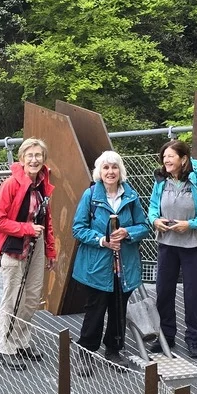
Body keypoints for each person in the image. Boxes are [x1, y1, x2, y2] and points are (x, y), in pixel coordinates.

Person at [0, 138, 57, 371]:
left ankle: (21, 341)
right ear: (21, 160)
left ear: (43, 159)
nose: (34, 160)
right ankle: (5, 347)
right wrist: (26, 229)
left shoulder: (42, 183)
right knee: (12, 296)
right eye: (29, 156)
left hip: (36, 242)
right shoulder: (11, 184)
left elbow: (47, 219)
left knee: (32, 296)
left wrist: (50, 250)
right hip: (14, 244)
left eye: (38, 155)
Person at [71, 150, 150, 374]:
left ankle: (114, 349)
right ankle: (86, 352)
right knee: (95, 309)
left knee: (118, 308)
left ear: (120, 171)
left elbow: (144, 226)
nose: (110, 172)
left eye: (114, 167)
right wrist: (102, 241)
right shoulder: (90, 196)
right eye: (105, 168)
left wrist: (128, 232)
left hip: (124, 265)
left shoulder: (131, 196)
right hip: (97, 265)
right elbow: (78, 229)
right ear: (99, 172)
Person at [147, 139, 197, 359]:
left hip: (193, 245)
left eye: (170, 156)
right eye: (164, 157)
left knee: (194, 293)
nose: (166, 160)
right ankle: (166, 335)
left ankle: (194, 338)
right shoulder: (161, 181)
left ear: (184, 159)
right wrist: (154, 220)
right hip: (166, 245)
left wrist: (190, 225)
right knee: (163, 291)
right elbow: (153, 206)